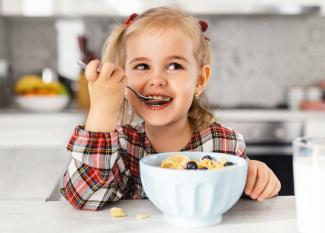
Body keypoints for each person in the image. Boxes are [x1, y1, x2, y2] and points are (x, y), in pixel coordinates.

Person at [60, 6, 281, 210]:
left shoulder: (225, 145)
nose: (156, 80)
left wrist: (255, 177)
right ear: (124, 81)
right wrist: (102, 111)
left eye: (174, 66)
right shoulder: (120, 148)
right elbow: (84, 197)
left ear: (200, 80)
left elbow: (245, 202)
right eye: (142, 66)